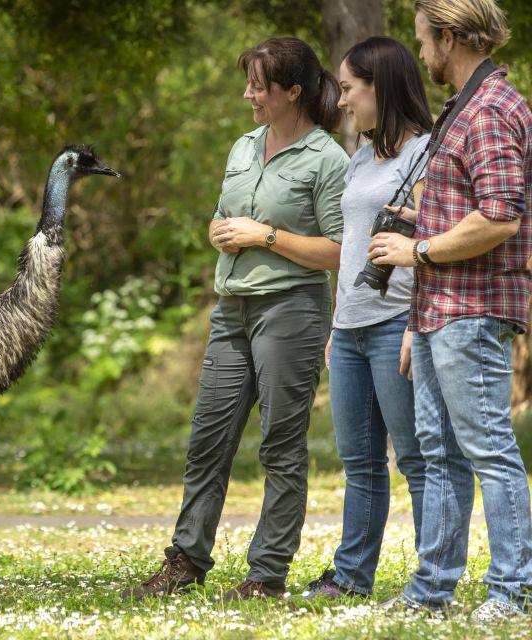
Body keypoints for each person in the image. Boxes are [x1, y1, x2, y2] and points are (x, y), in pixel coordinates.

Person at [122, 36, 349, 601]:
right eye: (247, 81)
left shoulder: (327, 158)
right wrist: (219, 230)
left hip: (292, 308)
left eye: (259, 85)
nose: (248, 94)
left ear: (292, 91)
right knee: (208, 438)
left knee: (280, 443)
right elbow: (226, 217)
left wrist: (265, 236)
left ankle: (266, 574)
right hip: (232, 310)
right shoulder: (243, 147)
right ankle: (186, 561)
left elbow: (343, 250)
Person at [369, 0, 532, 621]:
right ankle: (432, 588)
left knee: (488, 448)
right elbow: (463, 209)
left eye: (423, 41)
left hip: (474, 307)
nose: (421, 54)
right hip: (439, 310)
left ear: (450, 36)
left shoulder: (490, 111)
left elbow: (499, 217)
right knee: (439, 453)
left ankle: (514, 590)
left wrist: (417, 249)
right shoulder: (459, 109)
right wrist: (416, 316)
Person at [300, 37, 433, 601]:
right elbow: (353, 245)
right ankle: (352, 578)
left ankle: (435, 578)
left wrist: (413, 326)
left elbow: (433, 248)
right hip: (351, 327)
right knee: (360, 463)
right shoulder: (361, 154)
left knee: (417, 460)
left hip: (397, 322)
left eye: (351, 88)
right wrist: (337, 325)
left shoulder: (426, 154)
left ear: (382, 86)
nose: (344, 101)